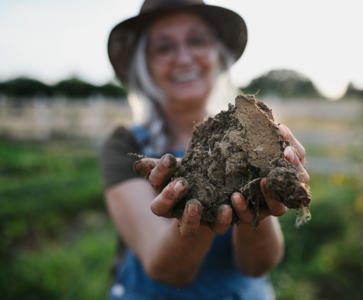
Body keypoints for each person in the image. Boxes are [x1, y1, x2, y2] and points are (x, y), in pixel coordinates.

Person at [100, 0, 309, 299]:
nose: (184, 58)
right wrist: (200, 202)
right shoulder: (125, 145)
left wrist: (263, 201)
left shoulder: (253, 135)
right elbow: (168, 271)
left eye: (197, 40)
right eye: (163, 47)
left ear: (217, 53)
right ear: (144, 64)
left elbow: (257, 265)